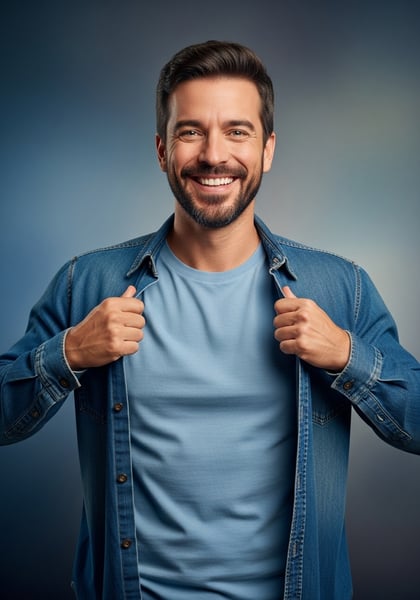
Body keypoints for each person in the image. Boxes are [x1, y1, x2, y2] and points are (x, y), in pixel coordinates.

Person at [0, 40, 419, 600]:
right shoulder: (88, 284)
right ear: (161, 149)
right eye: (191, 131)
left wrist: (349, 356)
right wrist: (69, 353)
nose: (213, 155)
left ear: (268, 149)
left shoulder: (340, 288)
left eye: (237, 131)